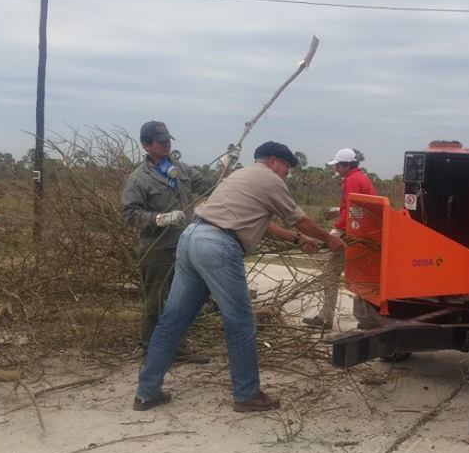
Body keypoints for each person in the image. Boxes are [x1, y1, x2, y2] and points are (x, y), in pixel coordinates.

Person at [134, 141, 345, 413]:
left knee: (172, 320)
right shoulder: (270, 180)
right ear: (272, 161)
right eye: (286, 167)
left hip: (191, 238)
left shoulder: (242, 175)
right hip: (217, 246)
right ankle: (246, 394)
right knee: (241, 322)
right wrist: (330, 239)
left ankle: (146, 393)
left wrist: (296, 239)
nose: (287, 173)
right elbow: (300, 219)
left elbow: (264, 223)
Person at [120, 121, 216, 359]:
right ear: (146, 145)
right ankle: (150, 348)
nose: (166, 144)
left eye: (167, 139)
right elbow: (129, 214)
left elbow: (207, 186)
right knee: (155, 301)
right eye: (160, 141)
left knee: (181, 299)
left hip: (183, 246)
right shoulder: (139, 178)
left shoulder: (181, 169)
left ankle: (179, 346)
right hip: (157, 249)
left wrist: (226, 165)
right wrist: (160, 218)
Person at [302, 148, 382, 330]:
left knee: (330, 274)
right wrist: (338, 211)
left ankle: (326, 317)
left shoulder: (351, 180)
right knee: (363, 277)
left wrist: (335, 233)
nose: (336, 169)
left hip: (352, 234)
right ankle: (369, 320)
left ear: (346, 165)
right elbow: (359, 206)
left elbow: (354, 211)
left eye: (338, 165)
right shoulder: (362, 179)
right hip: (364, 235)